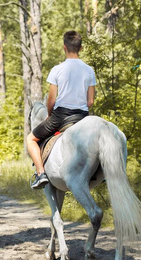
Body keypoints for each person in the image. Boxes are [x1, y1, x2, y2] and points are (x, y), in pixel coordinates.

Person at [27, 31, 96, 189]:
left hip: (61, 116)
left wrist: (50, 116)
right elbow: (90, 101)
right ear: (81, 48)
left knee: (30, 139)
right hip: (82, 117)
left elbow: (51, 100)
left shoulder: (57, 70)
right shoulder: (89, 70)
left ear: (64, 47)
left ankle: (41, 174)